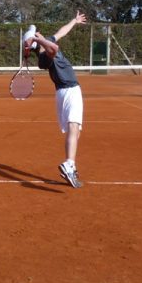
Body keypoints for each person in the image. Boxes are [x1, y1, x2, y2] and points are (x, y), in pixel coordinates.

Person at [23, 11, 87, 188]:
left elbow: (61, 32)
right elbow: (54, 49)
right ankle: (69, 164)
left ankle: (71, 165)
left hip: (65, 91)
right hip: (69, 90)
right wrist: (40, 40)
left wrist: (74, 21)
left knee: (75, 130)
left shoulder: (47, 42)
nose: (39, 33)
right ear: (36, 43)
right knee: (74, 126)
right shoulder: (44, 57)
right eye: (36, 34)